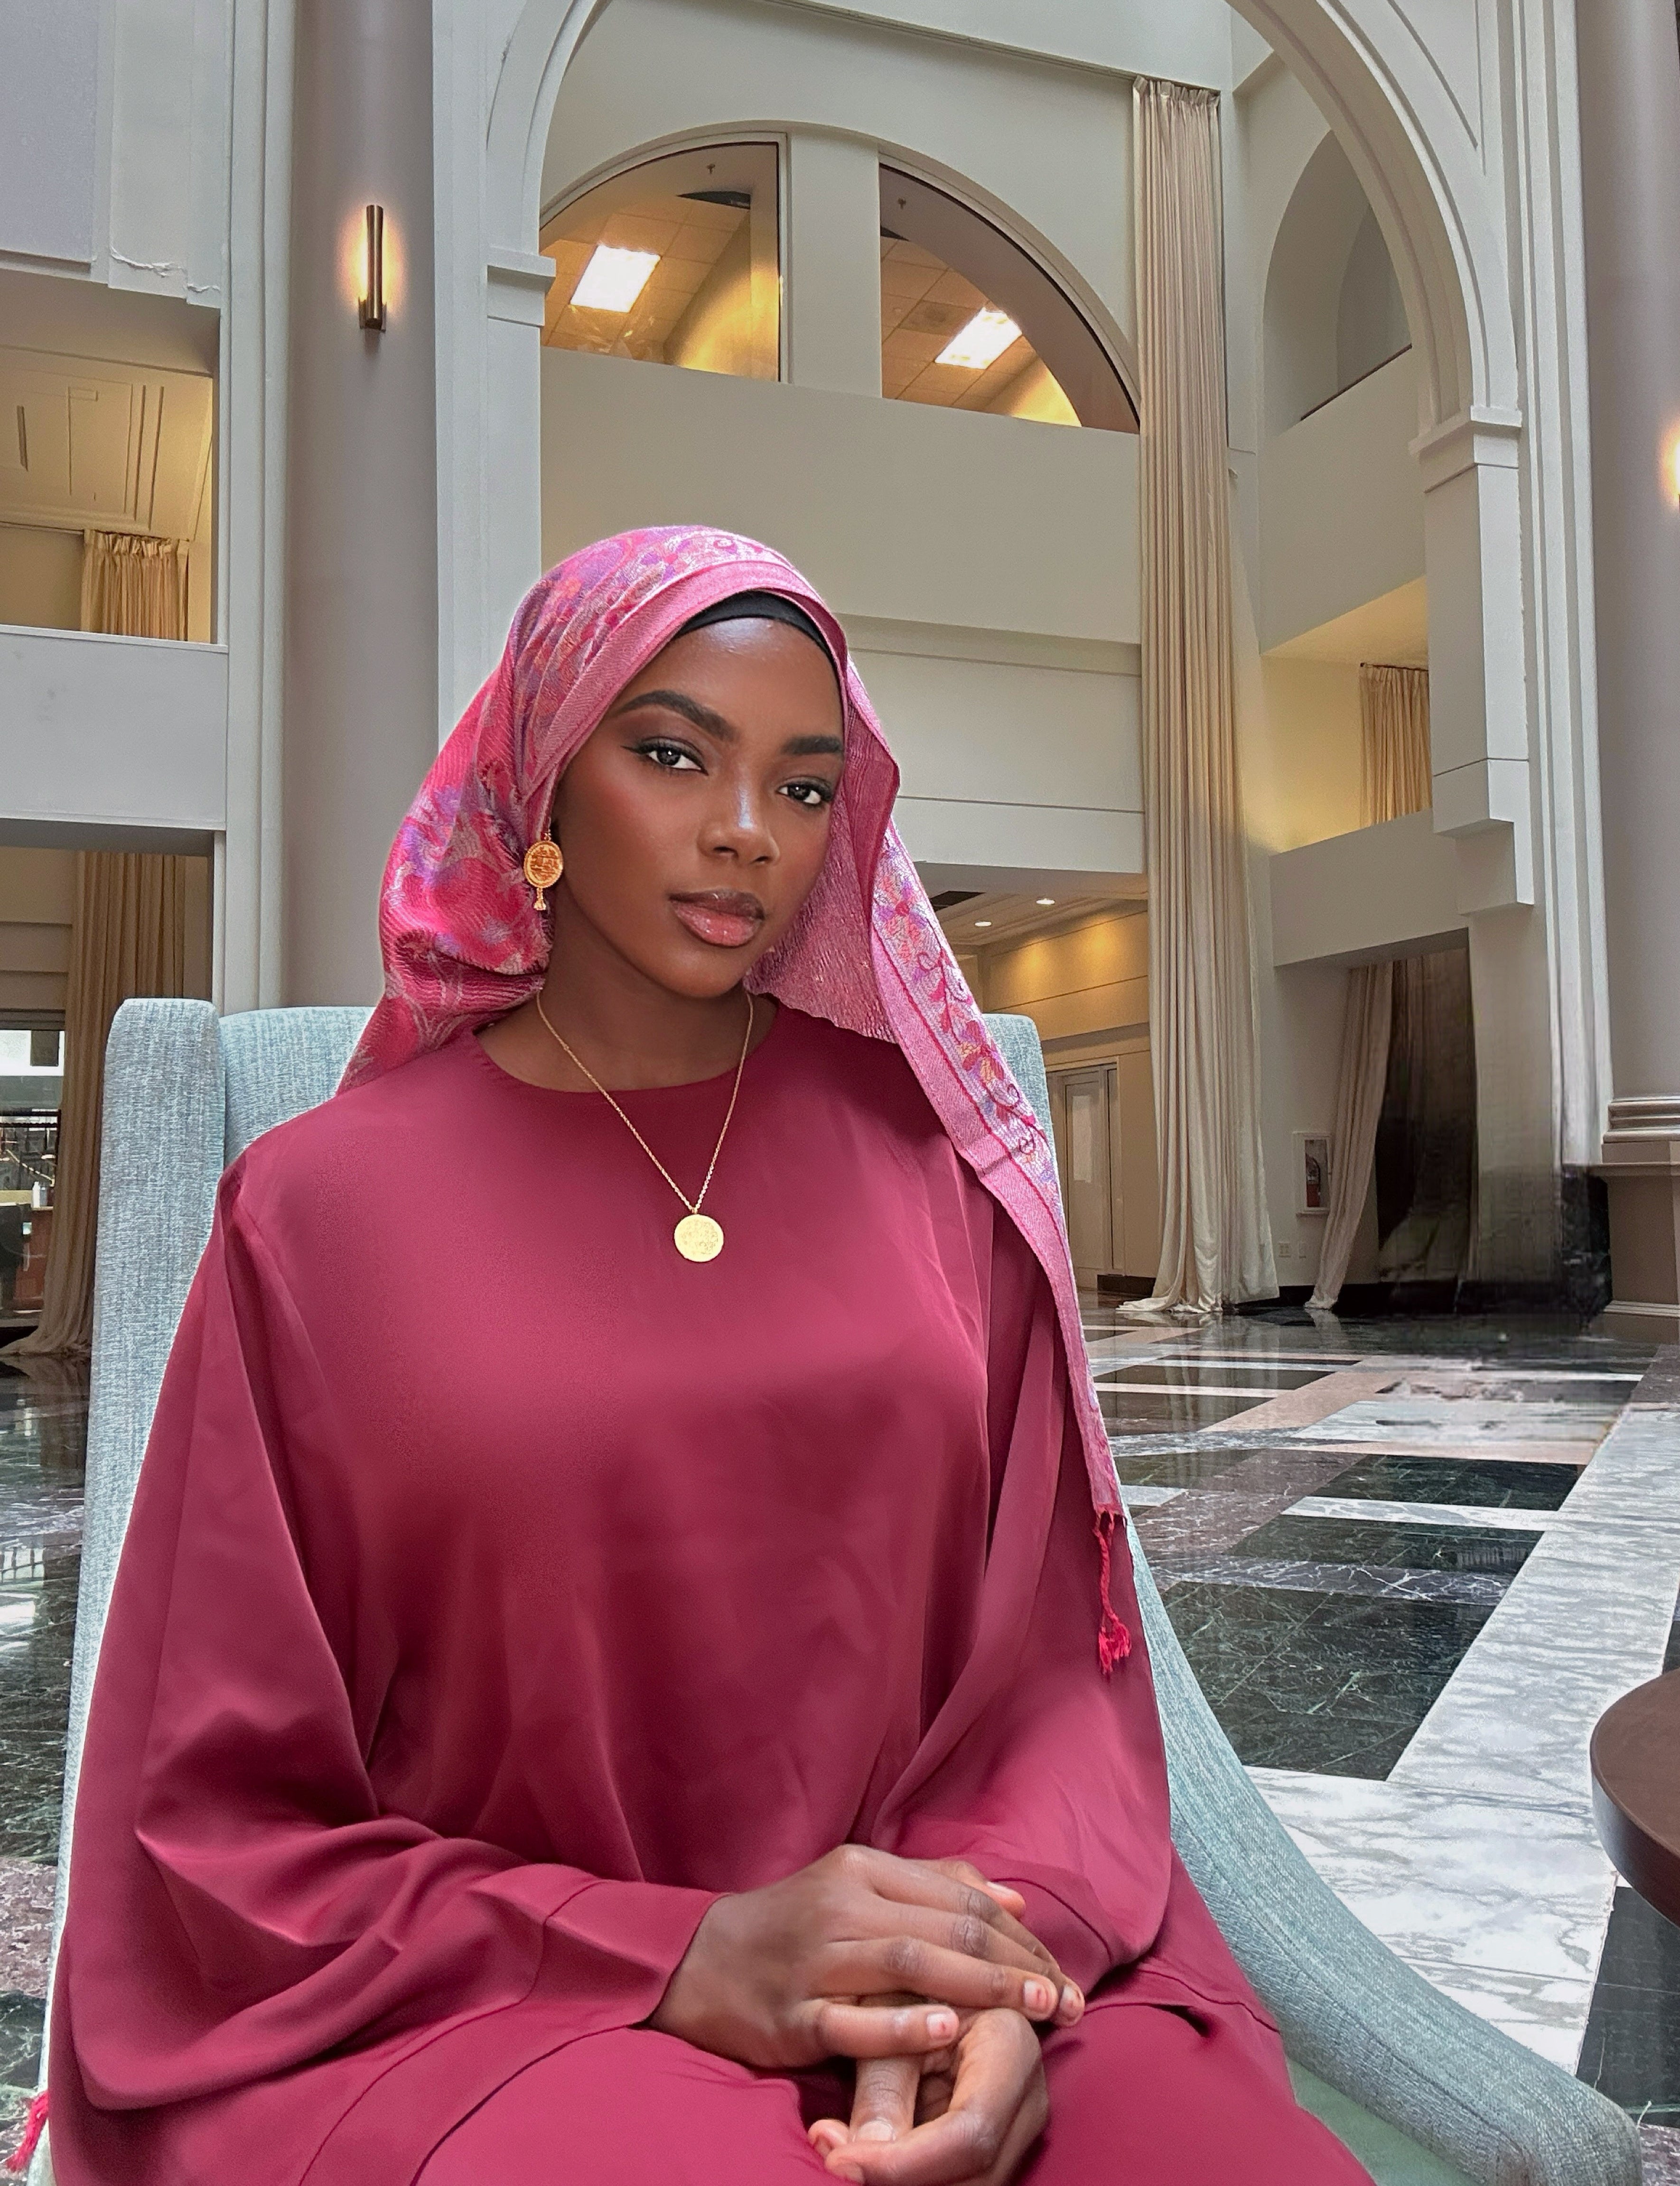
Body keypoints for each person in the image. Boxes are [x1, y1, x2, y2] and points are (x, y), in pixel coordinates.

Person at [45, 528, 1367, 2185]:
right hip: (492, 1991)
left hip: (955, 1919)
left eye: (804, 788)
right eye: (671, 754)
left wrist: (986, 1970)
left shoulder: (936, 1164)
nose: (746, 832)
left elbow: (1047, 1668)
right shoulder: (318, 1215)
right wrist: (674, 1955)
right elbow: (215, 1805)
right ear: (541, 774)